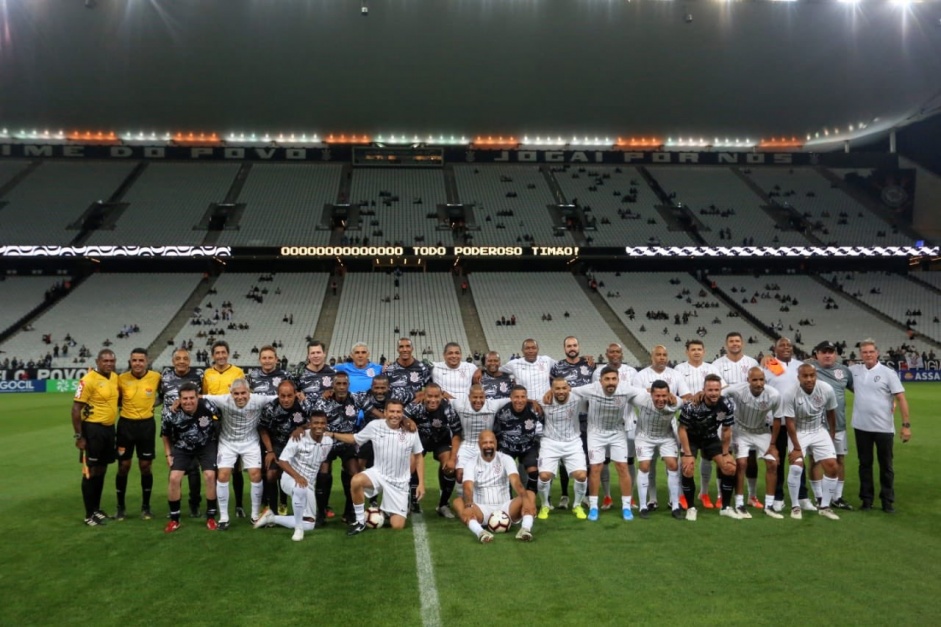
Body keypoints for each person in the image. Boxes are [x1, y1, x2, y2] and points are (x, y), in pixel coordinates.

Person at [326, 400, 425, 535]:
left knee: (397, 526)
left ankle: (386, 509)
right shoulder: (374, 426)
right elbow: (354, 438)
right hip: (378, 473)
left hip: (399, 483)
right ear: (385, 412)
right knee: (356, 480)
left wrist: (421, 484)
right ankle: (360, 522)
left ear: (403, 414)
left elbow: (419, 457)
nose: (395, 415)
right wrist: (332, 434)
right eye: (391, 411)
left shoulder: (411, 430)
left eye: (398, 412)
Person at [567, 367, 648, 521]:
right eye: (607, 379)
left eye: (613, 379)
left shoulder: (626, 389)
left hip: (617, 432)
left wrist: (651, 391)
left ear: (618, 380)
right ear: (601, 381)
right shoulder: (591, 389)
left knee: (622, 467)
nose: (611, 382)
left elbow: (644, 393)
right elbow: (571, 391)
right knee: (596, 468)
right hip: (596, 433)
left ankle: (626, 506)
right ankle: (593, 507)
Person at [203, 378, 275, 530]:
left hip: (250, 441)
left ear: (249, 393)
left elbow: (278, 397)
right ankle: (224, 517)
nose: (240, 396)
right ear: (231, 393)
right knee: (223, 475)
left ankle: (255, 515)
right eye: (236, 394)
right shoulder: (223, 400)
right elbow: (201, 398)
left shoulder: (259, 400)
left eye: (243, 393)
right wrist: (178, 402)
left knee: (255, 474)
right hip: (227, 442)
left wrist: (299, 395)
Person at [848, 339, 911, 513]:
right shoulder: (854, 371)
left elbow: (901, 398)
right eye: (864, 352)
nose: (867, 355)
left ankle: (887, 501)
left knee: (886, 466)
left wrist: (906, 425)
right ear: (860, 354)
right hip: (861, 427)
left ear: (877, 353)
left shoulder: (888, 373)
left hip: (883, 427)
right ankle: (866, 500)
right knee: (864, 465)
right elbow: (830, 369)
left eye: (870, 352)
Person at [254, 411, 335, 541]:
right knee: (300, 487)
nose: (319, 426)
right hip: (289, 478)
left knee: (309, 524)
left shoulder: (328, 442)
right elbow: (283, 461)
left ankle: (271, 518)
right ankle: (298, 529)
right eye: (316, 423)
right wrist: (297, 476)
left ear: (326, 425)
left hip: (308, 484)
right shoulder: (298, 438)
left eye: (322, 423)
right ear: (310, 424)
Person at [633, 345, 691, 511]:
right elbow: (633, 394)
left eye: (664, 354)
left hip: (667, 428)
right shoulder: (641, 375)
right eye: (658, 354)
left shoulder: (676, 375)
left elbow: (686, 397)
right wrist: (653, 392)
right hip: (645, 428)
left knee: (672, 464)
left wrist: (675, 398)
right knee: (647, 465)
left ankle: (675, 502)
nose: (661, 357)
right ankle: (651, 500)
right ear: (652, 356)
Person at [452, 430, 537, 543]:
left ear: (496, 443)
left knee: (529, 495)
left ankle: (525, 529)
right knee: (458, 502)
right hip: (481, 510)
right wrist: (468, 506)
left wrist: (526, 500)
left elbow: (516, 482)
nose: (488, 446)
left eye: (491, 442)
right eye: (485, 443)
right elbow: (467, 488)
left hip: (506, 508)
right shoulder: (470, 463)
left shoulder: (506, 459)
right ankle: (480, 532)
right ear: (479, 444)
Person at [781, 364, 841, 520]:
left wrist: (831, 436)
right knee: (795, 466)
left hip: (818, 430)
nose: (809, 379)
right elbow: (789, 421)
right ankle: (795, 506)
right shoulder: (790, 393)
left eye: (812, 375)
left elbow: (831, 413)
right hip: (798, 431)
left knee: (833, 466)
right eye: (805, 376)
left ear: (816, 376)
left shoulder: (826, 389)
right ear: (798, 377)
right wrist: (796, 448)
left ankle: (825, 506)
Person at [722, 367, 784, 519]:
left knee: (773, 464)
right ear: (748, 380)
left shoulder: (774, 395)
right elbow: (721, 393)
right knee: (741, 463)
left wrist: (773, 445)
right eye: (754, 380)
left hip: (762, 432)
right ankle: (739, 504)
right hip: (741, 431)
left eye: (761, 379)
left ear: (765, 380)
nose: (758, 383)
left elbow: (777, 419)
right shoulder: (737, 390)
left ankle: (769, 506)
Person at [677, 374, 740, 521]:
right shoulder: (692, 406)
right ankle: (691, 508)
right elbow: (682, 429)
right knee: (687, 468)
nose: (713, 393)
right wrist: (687, 454)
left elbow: (726, 430)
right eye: (710, 390)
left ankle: (725, 507)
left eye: (716, 390)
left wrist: (725, 453)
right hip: (691, 438)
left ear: (720, 390)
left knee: (729, 467)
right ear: (703, 390)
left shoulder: (726, 405)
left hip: (710, 438)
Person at [160, 383, 220, 532]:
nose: (188, 401)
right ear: (179, 399)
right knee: (174, 478)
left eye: (192, 398)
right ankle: (175, 519)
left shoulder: (209, 406)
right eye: (184, 398)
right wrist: (168, 454)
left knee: (210, 476)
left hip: (206, 446)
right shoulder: (171, 413)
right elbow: (165, 435)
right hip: (182, 447)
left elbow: (221, 418)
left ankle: (211, 517)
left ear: (197, 397)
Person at [713, 331, 762, 509]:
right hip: (723, 415)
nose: (735, 344)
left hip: (747, 415)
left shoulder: (752, 363)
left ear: (742, 343)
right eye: (731, 341)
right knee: (723, 454)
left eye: (737, 341)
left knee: (749, 457)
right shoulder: (717, 364)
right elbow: (717, 389)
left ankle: (752, 495)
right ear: (726, 344)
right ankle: (720, 495)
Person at [761, 337, 811, 513]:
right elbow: (762, 390)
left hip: (797, 421)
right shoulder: (770, 365)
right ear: (775, 349)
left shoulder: (801, 366)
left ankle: (803, 496)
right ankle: (778, 496)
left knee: (798, 458)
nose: (786, 347)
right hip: (776, 422)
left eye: (789, 345)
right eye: (782, 345)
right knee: (778, 460)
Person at [675, 339, 726, 509]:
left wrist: (704, 396)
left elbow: (721, 389)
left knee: (708, 457)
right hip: (688, 421)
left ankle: (704, 493)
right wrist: (693, 397)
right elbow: (677, 395)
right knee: (686, 460)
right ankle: (681, 495)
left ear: (704, 351)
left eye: (699, 349)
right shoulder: (679, 369)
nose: (696, 352)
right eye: (693, 349)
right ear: (686, 352)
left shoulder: (712, 369)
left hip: (710, 421)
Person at [311, 371, 368, 523]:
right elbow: (313, 421)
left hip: (347, 442)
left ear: (349, 385)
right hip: (327, 442)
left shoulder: (356, 398)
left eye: (344, 384)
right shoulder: (323, 402)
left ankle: (349, 512)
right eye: (338, 384)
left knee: (354, 473)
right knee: (323, 473)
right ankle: (321, 512)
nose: (342, 387)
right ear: (333, 385)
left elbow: (377, 392)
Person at [72, 348, 119, 526]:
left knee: (102, 469)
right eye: (105, 361)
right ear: (98, 362)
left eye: (111, 361)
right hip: (92, 430)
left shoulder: (114, 377)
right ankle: (88, 514)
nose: (108, 364)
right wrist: (79, 436)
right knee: (90, 471)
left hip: (108, 430)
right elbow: (75, 409)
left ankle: (96, 509)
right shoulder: (88, 380)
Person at [805, 340, 854, 510]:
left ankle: (837, 497)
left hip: (838, 425)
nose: (827, 355)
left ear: (836, 354)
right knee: (815, 460)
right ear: (816, 354)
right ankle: (819, 496)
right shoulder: (809, 369)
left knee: (840, 459)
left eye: (831, 352)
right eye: (824, 352)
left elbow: (860, 391)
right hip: (816, 426)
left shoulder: (844, 371)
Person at [202, 340, 249, 518]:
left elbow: (243, 394)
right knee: (215, 465)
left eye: (223, 352)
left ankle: (238, 505)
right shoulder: (207, 373)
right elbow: (205, 396)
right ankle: (213, 506)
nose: (220, 356)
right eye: (217, 353)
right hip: (213, 423)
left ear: (228, 353)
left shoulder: (237, 372)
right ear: (213, 355)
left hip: (233, 421)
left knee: (236, 466)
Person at [114, 348, 162, 520]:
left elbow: (163, 395)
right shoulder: (121, 378)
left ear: (147, 361)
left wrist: (151, 404)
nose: (138, 364)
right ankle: (120, 507)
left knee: (145, 466)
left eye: (141, 360)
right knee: (124, 466)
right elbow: (116, 398)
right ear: (130, 361)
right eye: (134, 360)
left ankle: (146, 507)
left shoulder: (156, 377)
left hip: (147, 426)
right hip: (126, 426)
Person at [589, 343, 638, 512]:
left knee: (628, 462)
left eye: (618, 351)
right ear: (607, 354)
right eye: (612, 352)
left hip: (628, 422)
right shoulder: (598, 372)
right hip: (604, 424)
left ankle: (629, 498)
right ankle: (607, 495)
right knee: (603, 462)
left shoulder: (632, 372)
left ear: (622, 353)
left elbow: (637, 394)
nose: (615, 354)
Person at [159, 348, 206, 517]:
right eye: (178, 358)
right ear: (173, 361)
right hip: (171, 428)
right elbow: (159, 397)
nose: (181, 361)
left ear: (190, 361)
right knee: (174, 468)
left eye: (185, 358)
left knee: (194, 469)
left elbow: (205, 397)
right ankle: (174, 505)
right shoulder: (164, 376)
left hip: (193, 428)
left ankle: (195, 504)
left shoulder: (199, 375)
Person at [549, 337, 595, 510]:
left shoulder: (589, 364)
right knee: (563, 458)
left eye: (575, 345)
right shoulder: (557, 367)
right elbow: (552, 389)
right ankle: (564, 495)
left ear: (579, 346)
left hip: (585, 417)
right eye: (569, 346)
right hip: (565, 418)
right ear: (564, 348)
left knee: (586, 457)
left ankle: (587, 495)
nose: (572, 348)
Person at [404, 383, 461, 518]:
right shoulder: (415, 406)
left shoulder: (447, 409)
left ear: (442, 396)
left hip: (441, 441)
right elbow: (402, 415)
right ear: (424, 395)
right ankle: (411, 501)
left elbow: (457, 433)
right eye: (429, 396)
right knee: (410, 463)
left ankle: (443, 504)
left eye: (437, 396)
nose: (433, 400)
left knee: (450, 467)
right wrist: (408, 421)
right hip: (419, 441)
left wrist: (453, 459)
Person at [536, 378, 589, 520]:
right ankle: (545, 505)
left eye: (563, 388)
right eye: (557, 389)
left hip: (572, 442)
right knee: (543, 476)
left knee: (582, 476)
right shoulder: (543, 400)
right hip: (550, 442)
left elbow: (594, 388)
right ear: (551, 390)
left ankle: (577, 505)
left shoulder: (577, 398)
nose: (560, 392)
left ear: (569, 388)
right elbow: (530, 402)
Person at [259, 380, 313, 516]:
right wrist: (270, 451)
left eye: (289, 396)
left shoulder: (304, 405)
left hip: (297, 447)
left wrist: (301, 427)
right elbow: (263, 429)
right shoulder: (270, 408)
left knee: (288, 475)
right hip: (276, 445)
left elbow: (315, 423)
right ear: (278, 395)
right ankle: (272, 510)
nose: (286, 399)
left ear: (295, 394)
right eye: (282, 396)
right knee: (271, 475)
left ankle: (284, 502)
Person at [632, 380, 682, 519]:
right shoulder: (641, 399)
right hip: (644, 437)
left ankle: (676, 505)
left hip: (666, 436)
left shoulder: (675, 402)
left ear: (669, 394)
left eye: (664, 395)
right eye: (657, 396)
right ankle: (643, 506)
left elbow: (688, 401)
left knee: (673, 465)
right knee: (644, 466)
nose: (661, 399)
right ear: (651, 394)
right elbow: (626, 393)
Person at [492, 385, 543, 498]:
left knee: (534, 472)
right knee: (504, 474)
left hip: (528, 446)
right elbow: (495, 432)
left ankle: (529, 500)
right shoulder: (503, 412)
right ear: (510, 397)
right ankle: (508, 502)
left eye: (522, 397)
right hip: (507, 447)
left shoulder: (534, 409)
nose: (519, 400)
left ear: (526, 397)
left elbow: (547, 424)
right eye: (516, 397)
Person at [450, 384, 507, 485]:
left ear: (485, 397)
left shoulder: (493, 405)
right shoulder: (460, 405)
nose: (478, 400)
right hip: (466, 445)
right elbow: (442, 399)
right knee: (459, 476)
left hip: (485, 446)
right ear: (469, 397)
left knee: (485, 475)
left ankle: (481, 498)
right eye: (475, 397)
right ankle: (464, 499)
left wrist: (532, 401)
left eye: (481, 397)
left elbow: (512, 399)